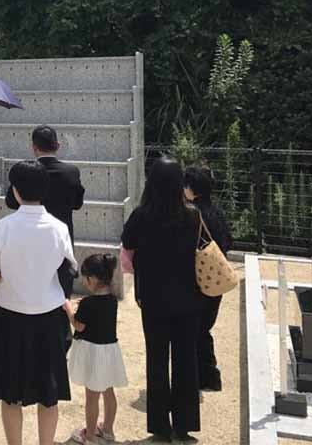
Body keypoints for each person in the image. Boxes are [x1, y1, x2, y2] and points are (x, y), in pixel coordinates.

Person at [0, 160, 76, 445]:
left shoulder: (2, 227)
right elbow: (68, 266)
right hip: (49, 314)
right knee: (49, 393)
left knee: (11, 393)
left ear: (16, 191)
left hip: (9, 313)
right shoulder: (58, 228)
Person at [122, 157, 204, 442]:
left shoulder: (141, 215)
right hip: (188, 297)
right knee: (185, 360)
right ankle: (185, 424)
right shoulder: (192, 215)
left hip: (153, 297)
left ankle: (159, 426)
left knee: (157, 360)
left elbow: (127, 247)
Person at [6, 126, 85, 298]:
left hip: (29, 235)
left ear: (34, 147)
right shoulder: (72, 172)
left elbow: (11, 202)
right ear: (58, 145)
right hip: (61, 236)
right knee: (62, 289)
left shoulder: (23, 172)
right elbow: (77, 204)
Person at [68, 254, 128, 445]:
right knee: (108, 392)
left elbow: (79, 326)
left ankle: (91, 436)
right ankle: (108, 430)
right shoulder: (112, 300)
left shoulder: (87, 303)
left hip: (92, 353)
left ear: (92, 278)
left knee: (91, 397)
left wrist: (69, 309)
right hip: (109, 351)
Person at [184, 164, 232, 392]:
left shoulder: (191, 215)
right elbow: (228, 243)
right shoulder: (217, 212)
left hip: (197, 280)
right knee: (204, 329)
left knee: (194, 329)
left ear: (192, 188)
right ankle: (210, 375)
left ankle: (202, 376)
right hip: (216, 278)